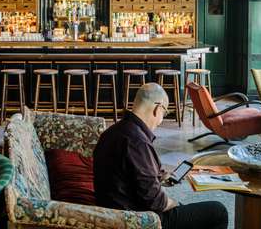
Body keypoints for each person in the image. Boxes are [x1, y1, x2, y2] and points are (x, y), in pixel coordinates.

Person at [93, 83, 228, 229]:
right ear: (158, 108)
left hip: (111, 209)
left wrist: (157, 176)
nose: (161, 120)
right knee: (218, 211)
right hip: (137, 218)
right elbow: (156, 202)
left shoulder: (112, 132)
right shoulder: (138, 142)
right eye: (164, 114)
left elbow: (128, 173)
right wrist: (176, 204)